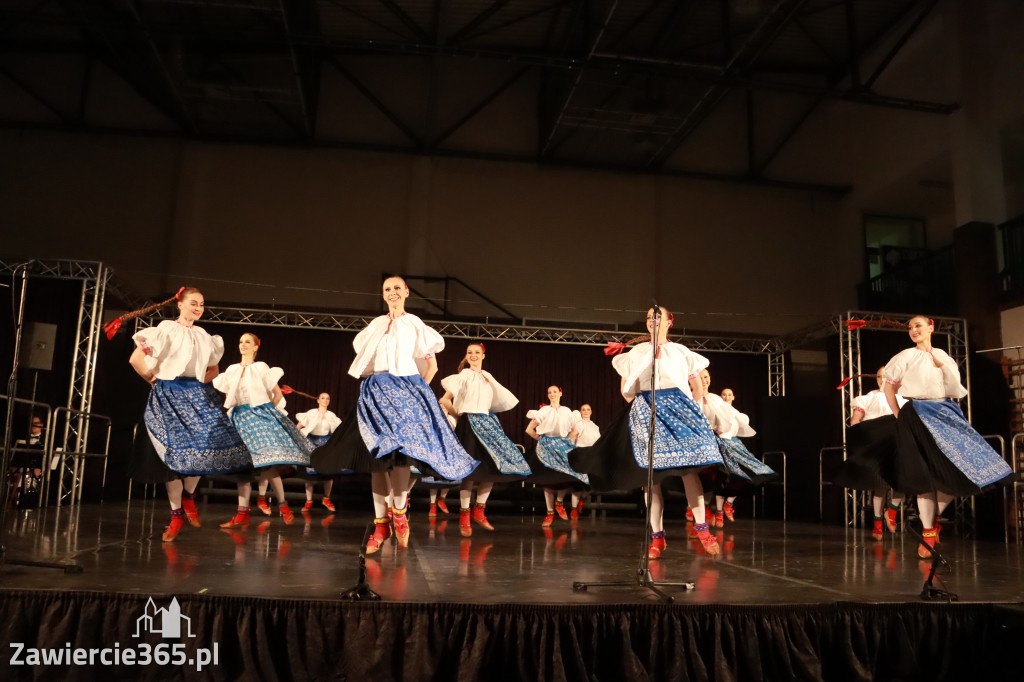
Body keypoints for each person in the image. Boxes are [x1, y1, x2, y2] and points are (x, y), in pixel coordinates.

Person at [309, 276, 477, 554]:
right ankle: (380, 524)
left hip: (407, 387)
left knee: (400, 458)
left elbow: (431, 365)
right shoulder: (375, 325)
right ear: (383, 295)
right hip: (377, 390)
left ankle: (399, 513)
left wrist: (418, 391)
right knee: (377, 459)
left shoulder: (415, 324)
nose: (393, 292)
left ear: (407, 292)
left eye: (397, 288)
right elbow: (365, 361)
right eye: (387, 289)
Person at [570, 306, 724, 557]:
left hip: (678, 408)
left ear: (669, 322)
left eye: (658, 317)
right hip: (647, 408)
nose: (653, 320)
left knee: (688, 468)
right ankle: (657, 537)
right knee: (650, 477)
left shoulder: (681, 352)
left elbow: (697, 389)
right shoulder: (637, 352)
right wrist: (643, 405)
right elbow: (625, 390)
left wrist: (689, 412)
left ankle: (702, 528)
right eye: (649, 318)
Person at [119, 287, 251, 541]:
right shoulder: (165, 330)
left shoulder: (204, 335)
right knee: (173, 455)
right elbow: (136, 359)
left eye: (202, 304)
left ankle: (189, 497)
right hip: (169, 392)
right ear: (180, 304)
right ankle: (176, 513)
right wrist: (154, 380)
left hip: (198, 393)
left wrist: (199, 382)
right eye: (193, 303)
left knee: (207, 447)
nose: (198, 307)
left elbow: (213, 369)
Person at [883, 315, 1013, 558]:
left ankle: (934, 519)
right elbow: (889, 386)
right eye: (910, 327)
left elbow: (954, 385)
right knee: (925, 477)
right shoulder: (905, 356)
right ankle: (928, 531)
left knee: (959, 470)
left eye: (918, 326)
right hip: (917, 413)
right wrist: (899, 413)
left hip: (944, 411)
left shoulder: (943, 355)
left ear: (931, 327)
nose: (913, 330)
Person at [213, 332, 313, 528]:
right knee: (242, 468)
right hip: (239, 419)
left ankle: (283, 505)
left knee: (268, 464)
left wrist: (267, 414)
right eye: (241, 341)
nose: (243, 345)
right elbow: (229, 397)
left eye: (247, 342)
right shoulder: (232, 370)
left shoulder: (261, 368)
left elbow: (275, 394)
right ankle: (242, 513)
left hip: (259, 417)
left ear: (256, 346)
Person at [439, 342, 529, 537]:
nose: (473, 355)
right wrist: (461, 414)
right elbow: (444, 400)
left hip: (488, 422)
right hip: (470, 423)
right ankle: (464, 516)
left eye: (477, 352)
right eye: (470, 352)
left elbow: (498, 401)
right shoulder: (463, 375)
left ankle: (479, 510)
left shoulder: (488, 376)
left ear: (483, 356)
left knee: (493, 468)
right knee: (470, 472)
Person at [831, 367, 908, 540]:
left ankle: (893, 512)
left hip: (894, 443)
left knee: (902, 480)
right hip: (875, 444)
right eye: (880, 376)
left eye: (886, 376)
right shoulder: (869, 398)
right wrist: (857, 431)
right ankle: (878, 523)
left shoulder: (901, 400)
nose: (883, 379)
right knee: (879, 485)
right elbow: (856, 420)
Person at [698, 370, 775, 527]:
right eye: (700, 378)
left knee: (749, 473)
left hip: (730, 443)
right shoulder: (698, 399)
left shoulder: (718, 402)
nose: (704, 380)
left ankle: (726, 506)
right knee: (715, 478)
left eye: (706, 377)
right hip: (712, 445)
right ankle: (709, 514)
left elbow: (737, 421)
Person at [525, 385, 588, 527]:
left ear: (560, 393)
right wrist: (541, 439)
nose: (552, 394)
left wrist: (567, 442)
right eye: (549, 392)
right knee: (548, 480)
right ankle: (549, 513)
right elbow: (529, 430)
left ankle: (559, 502)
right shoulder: (544, 410)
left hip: (562, 446)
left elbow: (575, 430)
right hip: (547, 447)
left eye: (555, 392)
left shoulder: (566, 411)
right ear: (547, 395)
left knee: (565, 477)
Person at [295, 392, 342, 512]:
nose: (325, 400)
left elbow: (338, 430)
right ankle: (308, 501)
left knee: (328, 472)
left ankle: (326, 498)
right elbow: (299, 426)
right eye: (323, 398)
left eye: (327, 398)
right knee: (310, 472)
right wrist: (296, 437)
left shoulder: (331, 415)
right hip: (312, 443)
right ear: (318, 400)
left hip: (326, 444)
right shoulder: (312, 413)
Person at [566, 404, 600, 519]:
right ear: (580, 412)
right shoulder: (579, 424)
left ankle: (582, 500)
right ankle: (574, 510)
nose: (586, 411)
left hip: (591, 455)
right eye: (583, 410)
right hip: (581, 454)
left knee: (591, 484)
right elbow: (572, 436)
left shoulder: (595, 426)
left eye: (588, 409)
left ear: (591, 411)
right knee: (579, 484)